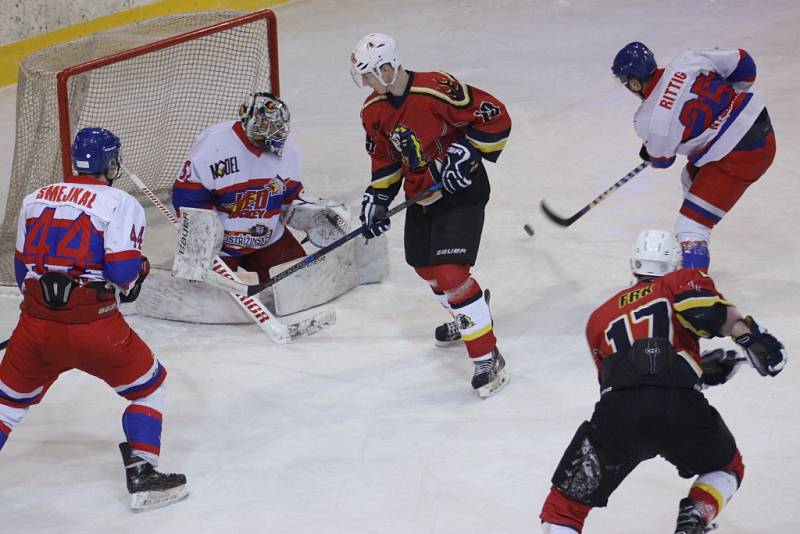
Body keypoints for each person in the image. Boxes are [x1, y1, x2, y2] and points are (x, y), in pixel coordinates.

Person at [539, 229, 787, 533]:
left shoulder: (599, 318)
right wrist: (747, 336)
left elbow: (621, 379)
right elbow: (706, 310)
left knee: (564, 508)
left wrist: (696, 370)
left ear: (634, 265)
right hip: (681, 408)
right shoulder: (678, 281)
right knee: (726, 466)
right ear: (676, 263)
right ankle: (695, 516)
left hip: (619, 414)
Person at [1, 128, 187, 511]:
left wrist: (49, 311)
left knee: (6, 405)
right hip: (95, 327)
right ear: (111, 163)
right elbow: (121, 273)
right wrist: (140, 270)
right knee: (148, 389)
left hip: (35, 325)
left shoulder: (35, 198)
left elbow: (22, 272)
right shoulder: (119, 202)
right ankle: (143, 475)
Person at [350, 32, 512, 398]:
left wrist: (469, 152)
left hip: (462, 192)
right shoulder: (372, 111)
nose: (367, 83)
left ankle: (487, 356)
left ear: (388, 67)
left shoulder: (437, 89)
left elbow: (494, 116)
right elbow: (386, 158)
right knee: (423, 266)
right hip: (421, 194)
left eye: (371, 74)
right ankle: (467, 312)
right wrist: (377, 196)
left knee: (451, 273)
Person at [611, 42, 776, 270]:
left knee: (690, 226)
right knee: (690, 178)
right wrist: (726, 107)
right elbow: (745, 64)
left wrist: (650, 150)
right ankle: (693, 246)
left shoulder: (646, 120)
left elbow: (662, 160)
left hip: (741, 156)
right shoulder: (688, 59)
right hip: (761, 125)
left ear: (634, 81)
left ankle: (694, 289)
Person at [172, 92, 348, 284]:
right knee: (205, 297)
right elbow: (187, 196)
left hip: (267, 238)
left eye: (278, 126)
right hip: (220, 244)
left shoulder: (288, 151)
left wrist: (310, 214)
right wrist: (201, 238)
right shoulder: (214, 145)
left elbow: (289, 195)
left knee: (303, 283)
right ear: (248, 121)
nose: (275, 132)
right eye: (267, 126)